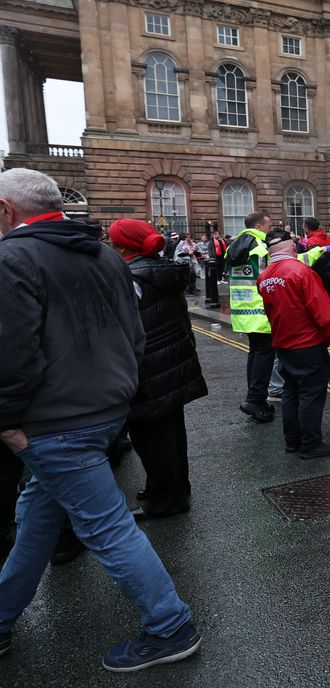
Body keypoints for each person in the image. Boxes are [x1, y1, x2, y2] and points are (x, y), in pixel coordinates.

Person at [0, 168, 201, 671]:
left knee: (108, 529)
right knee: (36, 521)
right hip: (106, 409)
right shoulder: (106, 255)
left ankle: (170, 625)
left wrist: (5, 422)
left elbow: (12, 352)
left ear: (6, 211)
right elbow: (134, 336)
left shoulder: (12, 258)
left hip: (53, 422)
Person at [108, 219, 208, 519]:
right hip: (170, 362)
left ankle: (166, 501)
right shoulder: (160, 271)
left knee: (152, 438)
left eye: (113, 241)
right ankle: (172, 488)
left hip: (148, 368)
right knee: (171, 433)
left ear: (123, 245)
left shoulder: (130, 277)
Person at [258, 230, 330, 459]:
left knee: (291, 391)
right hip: (307, 344)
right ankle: (311, 443)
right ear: (291, 248)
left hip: (283, 343)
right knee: (310, 393)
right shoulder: (301, 272)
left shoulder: (264, 277)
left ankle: (293, 441)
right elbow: (323, 311)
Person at [227, 210, 277, 423]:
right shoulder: (259, 246)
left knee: (255, 354)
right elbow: (269, 275)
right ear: (258, 226)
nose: (270, 229)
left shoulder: (234, 245)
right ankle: (254, 400)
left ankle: (256, 398)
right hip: (260, 310)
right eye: (268, 225)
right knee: (264, 356)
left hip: (242, 310)